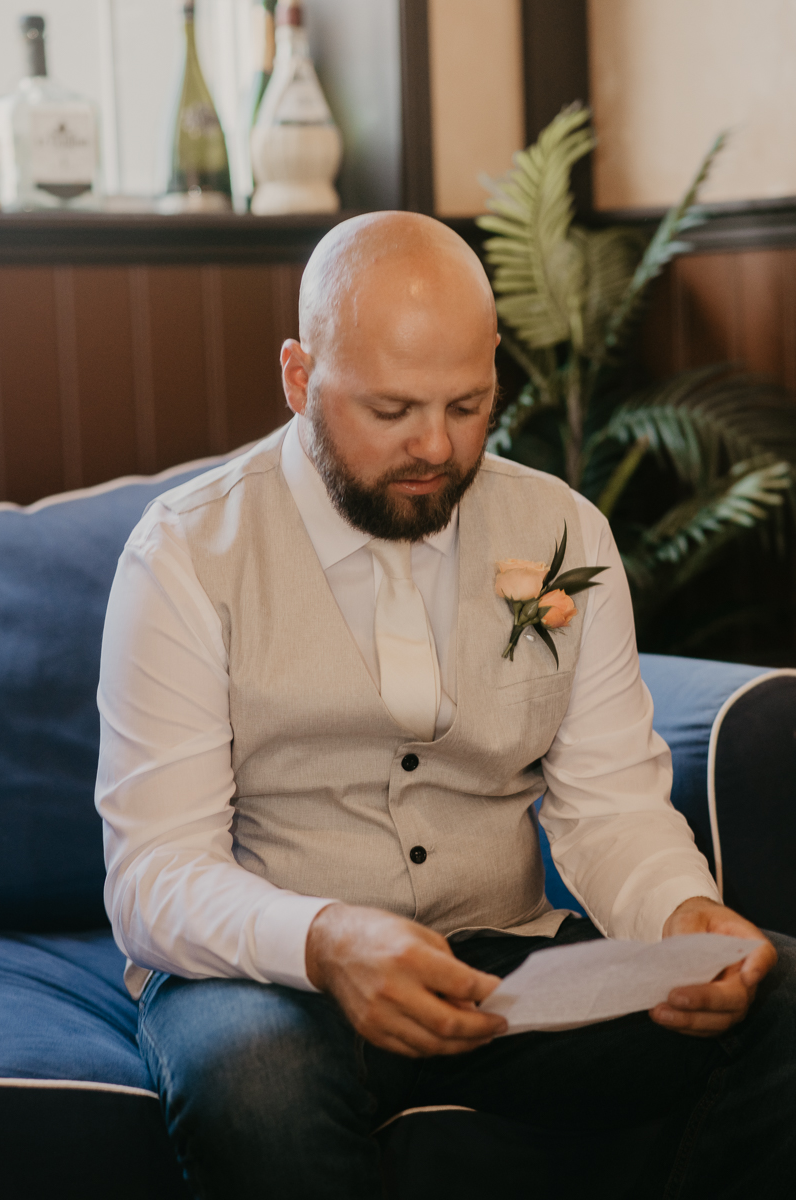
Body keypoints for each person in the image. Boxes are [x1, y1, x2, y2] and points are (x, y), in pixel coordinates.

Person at [96, 212, 796, 1199]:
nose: (435, 447)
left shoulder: (563, 534)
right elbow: (155, 871)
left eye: (467, 405)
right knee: (252, 1087)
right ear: (298, 379)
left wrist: (677, 913)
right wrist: (327, 938)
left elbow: (607, 808)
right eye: (390, 411)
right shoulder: (181, 555)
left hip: (506, 968)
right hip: (265, 979)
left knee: (779, 998)